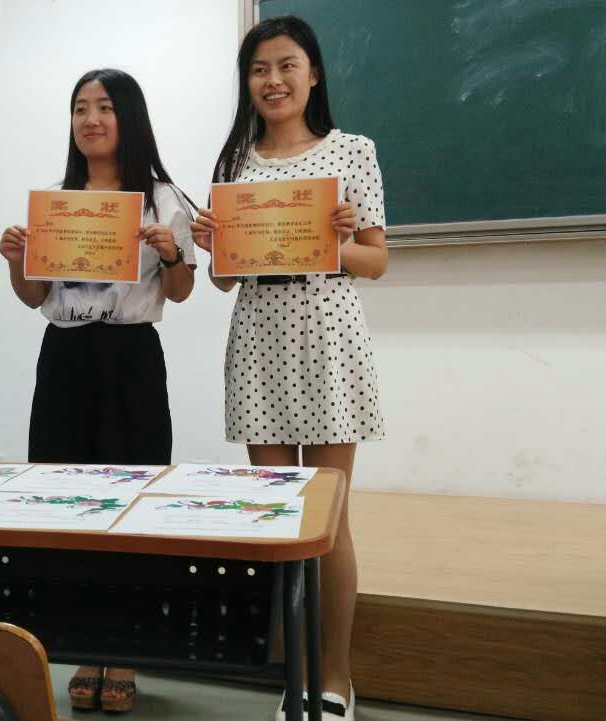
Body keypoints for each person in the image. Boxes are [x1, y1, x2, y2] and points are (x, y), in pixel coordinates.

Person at [190, 16, 388, 720]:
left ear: (314, 74)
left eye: (286, 65)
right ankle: (296, 676)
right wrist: (212, 245)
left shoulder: (352, 152)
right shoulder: (234, 165)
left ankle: (336, 679)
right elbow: (223, 280)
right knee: (279, 517)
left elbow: (376, 260)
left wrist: (333, 240)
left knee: (328, 518)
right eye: (259, 69)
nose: (272, 81)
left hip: (328, 337)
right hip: (259, 342)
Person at [0, 67, 196, 713]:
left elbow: (183, 291)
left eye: (105, 107)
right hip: (66, 358)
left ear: (128, 117)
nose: (90, 119)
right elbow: (35, 297)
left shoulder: (163, 198)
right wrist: (16, 262)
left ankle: (127, 649)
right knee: (67, 501)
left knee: (133, 501)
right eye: (80, 107)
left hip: (132, 357)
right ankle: (85, 645)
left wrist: (171, 253)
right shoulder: (57, 202)